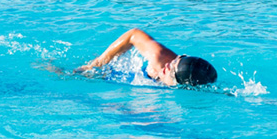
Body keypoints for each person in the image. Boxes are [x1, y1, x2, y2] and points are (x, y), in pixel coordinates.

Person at [76, 28, 217, 87]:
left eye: (171, 70)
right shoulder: (160, 57)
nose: (167, 65)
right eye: (174, 61)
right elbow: (133, 34)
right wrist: (97, 63)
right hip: (114, 75)